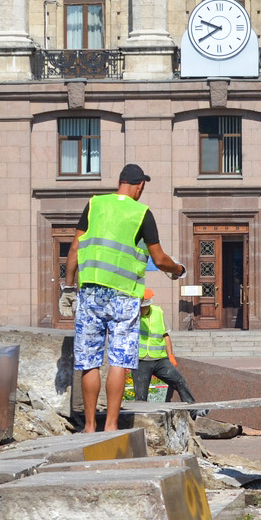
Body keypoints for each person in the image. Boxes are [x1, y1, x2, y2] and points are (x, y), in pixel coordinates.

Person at [63, 164, 185, 433]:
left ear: (120, 182)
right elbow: (159, 259)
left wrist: (68, 287)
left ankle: (90, 427)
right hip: (124, 297)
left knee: (89, 362)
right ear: (140, 185)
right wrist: (178, 270)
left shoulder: (95, 204)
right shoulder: (141, 213)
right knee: (118, 361)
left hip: (91, 293)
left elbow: (74, 247)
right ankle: (110, 426)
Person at [131, 287, 197, 404]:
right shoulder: (133, 315)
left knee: (179, 381)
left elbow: (165, 335)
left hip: (160, 360)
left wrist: (170, 356)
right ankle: (143, 415)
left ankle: (192, 408)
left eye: (144, 307)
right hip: (141, 361)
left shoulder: (158, 312)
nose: (142, 309)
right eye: (140, 307)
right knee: (141, 397)